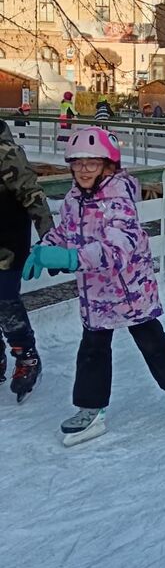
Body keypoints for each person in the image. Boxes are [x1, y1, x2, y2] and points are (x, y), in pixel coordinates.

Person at [23, 126, 165, 445]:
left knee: (151, 341)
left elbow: (118, 248)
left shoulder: (118, 198)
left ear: (108, 165)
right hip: (96, 293)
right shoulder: (73, 199)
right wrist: (42, 248)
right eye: (77, 163)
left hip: (130, 290)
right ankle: (91, 411)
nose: (83, 170)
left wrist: (70, 258)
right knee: (92, 349)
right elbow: (65, 232)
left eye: (92, 163)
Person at [0, 118, 54, 401]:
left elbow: (33, 194)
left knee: (5, 300)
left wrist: (50, 238)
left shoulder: (6, 152)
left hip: (7, 244)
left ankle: (26, 356)